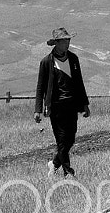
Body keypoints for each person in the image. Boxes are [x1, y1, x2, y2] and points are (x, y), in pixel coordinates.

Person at [33, 27, 90, 177]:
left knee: (70, 139)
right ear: (56, 43)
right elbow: (40, 87)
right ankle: (68, 172)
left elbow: (79, 83)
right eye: (65, 41)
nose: (68, 44)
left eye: (68, 40)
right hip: (56, 107)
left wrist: (85, 104)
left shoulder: (73, 59)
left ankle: (54, 163)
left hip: (72, 105)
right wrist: (38, 109)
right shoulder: (46, 62)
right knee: (61, 140)